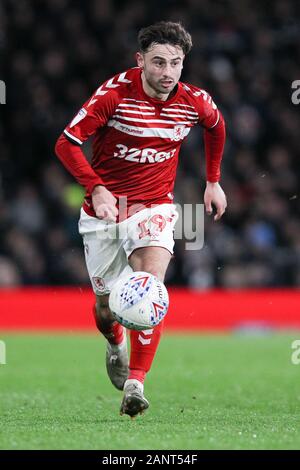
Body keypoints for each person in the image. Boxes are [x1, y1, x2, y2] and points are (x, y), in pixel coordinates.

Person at [55, 21, 227, 418]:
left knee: (149, 286)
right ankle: (114, 342)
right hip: (105, 212)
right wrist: (95, 187)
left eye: (176, 64)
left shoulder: (194, 100)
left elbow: (217, 127)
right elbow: (66, 142)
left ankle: (136, 383)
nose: (168, 73)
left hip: (154, 206)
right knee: (104, 309)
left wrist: (213, 181)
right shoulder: (114, 95)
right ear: (140, 60)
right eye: (159, 62)